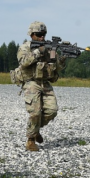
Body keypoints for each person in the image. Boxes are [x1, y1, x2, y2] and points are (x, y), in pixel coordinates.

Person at [16, 21, 66, 151]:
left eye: (43, 34)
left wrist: (62, 57)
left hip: (45, 82)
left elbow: (57, 67)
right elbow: (24, 61)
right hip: (31, 82)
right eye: (38, 34)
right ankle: (31, 140)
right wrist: (39, 51)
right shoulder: (25, 47)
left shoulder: (49, 48)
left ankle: (35, 129)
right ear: (32, 34)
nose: (42, 37)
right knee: (35, 112)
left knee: (52, 111)